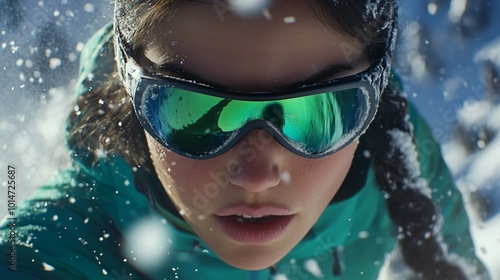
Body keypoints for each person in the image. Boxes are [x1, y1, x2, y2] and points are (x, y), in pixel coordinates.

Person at [0, 0, 491, 279]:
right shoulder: (47, 253)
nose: (257, 174)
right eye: (192, 111)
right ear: (131, 92)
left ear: (374, 97)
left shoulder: (391, 148)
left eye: (318, 113)